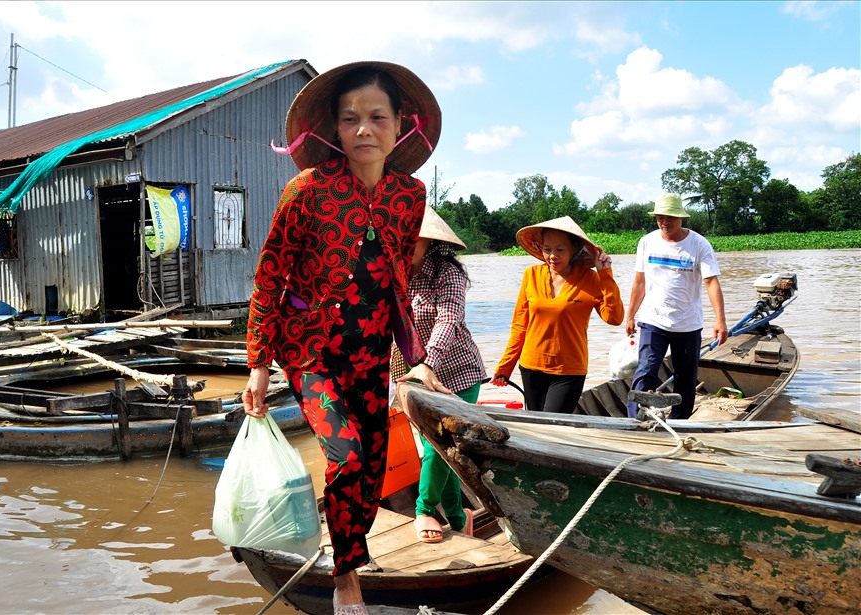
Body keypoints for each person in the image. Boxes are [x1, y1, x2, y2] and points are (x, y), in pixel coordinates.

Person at [241, 61, 442, 615]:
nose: (363, 130)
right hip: (310, 352)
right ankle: (345, 578)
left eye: (377, 117)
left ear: (401, 124)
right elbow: (270, 276)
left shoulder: (410, 196)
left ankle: (349, 548)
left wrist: (415, 361)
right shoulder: (307, 190)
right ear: (332, 128)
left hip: (372, 354)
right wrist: (259, 363)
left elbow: (398, 280)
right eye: (350, 119)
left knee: (373, 465)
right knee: (347, 454)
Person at [390, 206, 486, 544]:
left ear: (429, 240)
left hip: (458, 374)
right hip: (414, 376)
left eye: (412, 237)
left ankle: (424, 508)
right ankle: (460, 517)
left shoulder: (448, 274)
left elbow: (449, 317)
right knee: (443, 449)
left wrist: (428, 362)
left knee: (437, 445)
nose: (404, 243)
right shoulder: (397, 273)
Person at [491, 216, 624, 412]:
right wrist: (505, 367)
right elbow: (520, 326)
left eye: (560, 249)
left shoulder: (591, 279)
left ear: (574, 249)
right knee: (538, 427)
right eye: (547, 249)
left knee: (554, 423)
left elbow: (614, 318)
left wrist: (606, 274)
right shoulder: (531, 275)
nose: (553, 255)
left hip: (569, 370)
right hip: (531, 367)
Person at [625, 193, 727, 420]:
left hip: (688, 324)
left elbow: (711, 282)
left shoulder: (699, 244)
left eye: (670, 217)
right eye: (660, 217)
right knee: (645, 371)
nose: (665, 222)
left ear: (681, 218)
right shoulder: (647, 242)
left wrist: (720, 320)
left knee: (686, 377)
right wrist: (630, 315)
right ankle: (634, 420)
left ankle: (678, 421)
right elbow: (639, 282)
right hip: (653, 320)